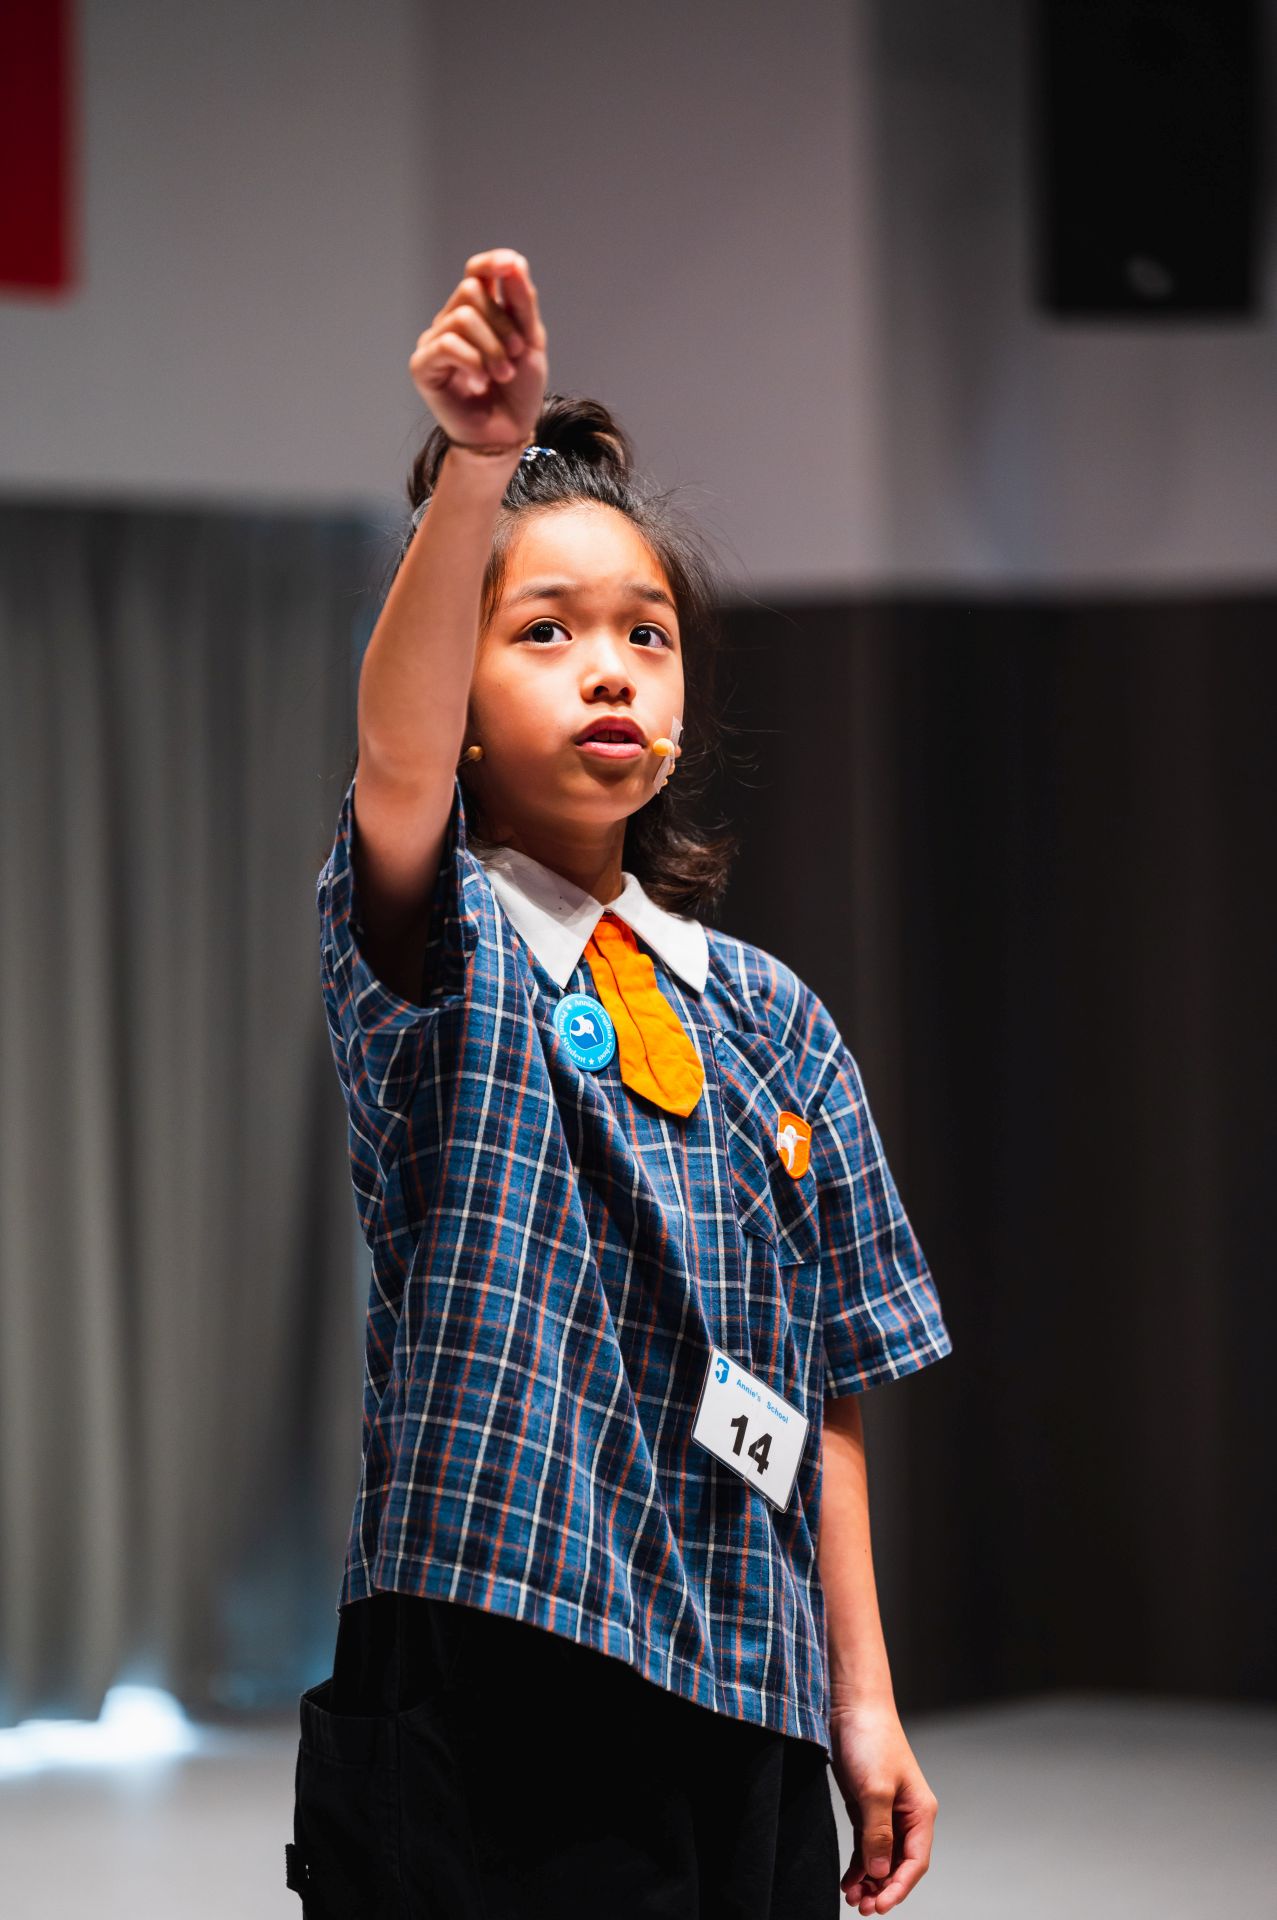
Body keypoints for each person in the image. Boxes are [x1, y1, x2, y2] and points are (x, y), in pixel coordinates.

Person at [287, 247, 953, 1920]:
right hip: (492, 1661)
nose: (609, 669)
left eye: (644, 635)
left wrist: (860, 1700)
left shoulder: (774, 1021)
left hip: (741, 1682)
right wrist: (477, 468)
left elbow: (825, 1398)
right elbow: (389, 759)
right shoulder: (443, 948)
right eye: (545, 631)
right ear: (460, 698)